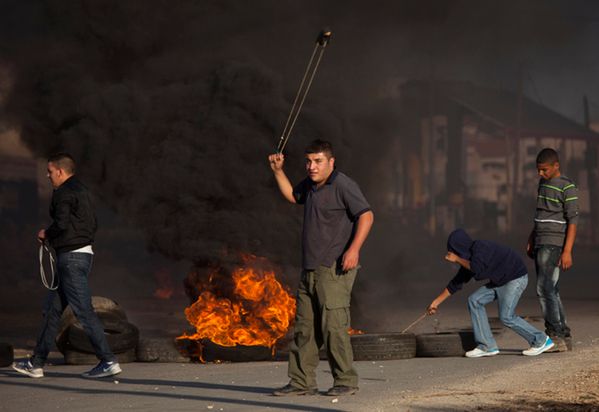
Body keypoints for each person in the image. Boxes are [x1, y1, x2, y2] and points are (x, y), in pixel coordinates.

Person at [268, 139, 374, 396]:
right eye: (308, 161)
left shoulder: (343, 185)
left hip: (333, 268)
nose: (311, 167)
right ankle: (301, 383)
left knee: (334, 328)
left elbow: (367, 215)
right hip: (310, 268)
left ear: (331, 162)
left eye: (318, 161)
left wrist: (354, 249)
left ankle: (345, 381)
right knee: (305, 329)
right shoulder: (312, 186)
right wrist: (278, 171)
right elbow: (293, 196)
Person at [12, 153, 121, 379]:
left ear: (60, 172)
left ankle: (108, 360)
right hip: (80, 256)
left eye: (50, 172)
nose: (48, 175)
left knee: (83, 311)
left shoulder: (64, 192)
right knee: (52, 311)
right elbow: (91, 224)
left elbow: (61, 224)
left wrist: (46, 234)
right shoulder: (82, 191)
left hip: (71, 259)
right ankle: (36, 363)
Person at [427, 228, 554, 357]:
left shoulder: (480, 248)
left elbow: (476, 268)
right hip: (500, 280)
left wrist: (457, 259)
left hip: (515, 278)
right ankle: (487, 346)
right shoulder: (469, 260)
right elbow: (456, 283)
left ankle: (541, 340)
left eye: (454, 251)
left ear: (459, 248)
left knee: (506, 317)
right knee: (474, 300)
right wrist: (436, 302)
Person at [526, 148, 579, 351]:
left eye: (544, 170)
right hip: (540, 240)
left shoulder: (567, 187)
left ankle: (555, 335)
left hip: (554, 243)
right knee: (552, 290)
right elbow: (540, 213)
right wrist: (532, 237)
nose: (540, 174)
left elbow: (573, 221)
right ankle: (563, 334)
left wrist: (567, 251)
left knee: (544, 288)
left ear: (556, 166)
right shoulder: (543, 183)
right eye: (538, 170)